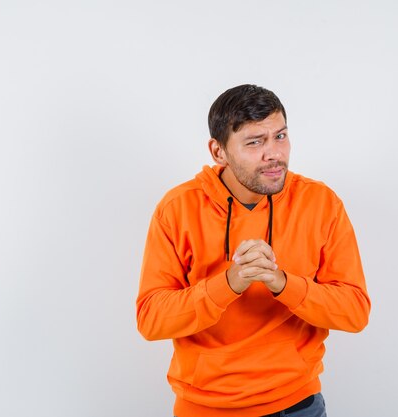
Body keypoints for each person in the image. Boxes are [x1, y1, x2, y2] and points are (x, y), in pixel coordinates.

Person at [136, 84, 370, 417]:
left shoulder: (321, 203)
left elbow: (354, 311)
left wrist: (282, 283)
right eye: (255, 142)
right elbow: (151, 319)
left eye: (280, 136)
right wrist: (228, 284)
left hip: (297, 404)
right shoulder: (177, 208)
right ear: (218, 152)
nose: (274, 153)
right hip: (206, 408)